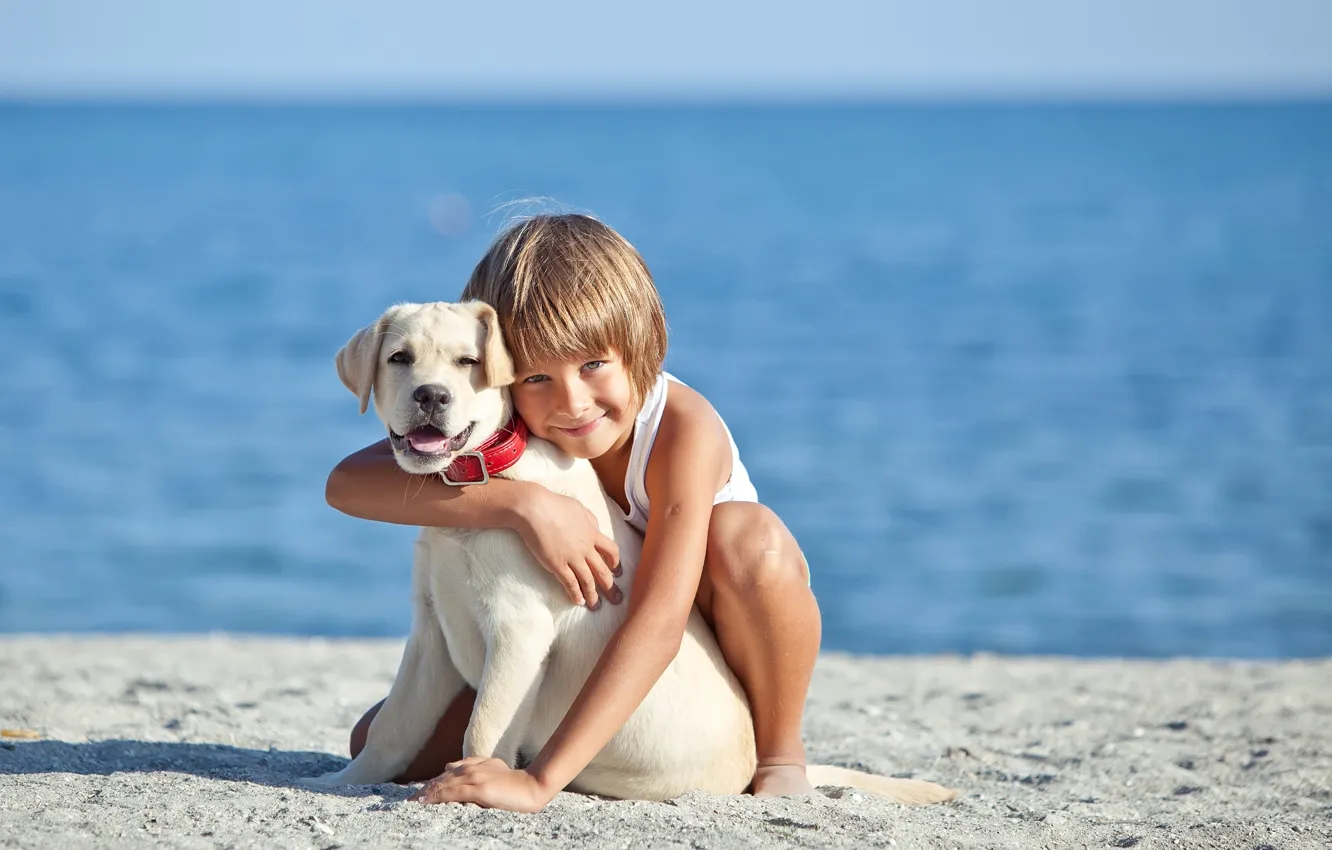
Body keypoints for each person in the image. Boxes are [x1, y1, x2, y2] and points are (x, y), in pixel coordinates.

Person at [326, 213, 821, 810]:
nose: (572, 401)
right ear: (505, 373)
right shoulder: (511, 427)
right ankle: (565, 750)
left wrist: (539, 783)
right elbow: (347, 484)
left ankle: (781, 754)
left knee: (748, 537)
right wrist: (522, 503)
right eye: (536, 374)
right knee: (375, 739)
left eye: (593, 365)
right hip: (576, 643)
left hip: (696, 635)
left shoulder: (681, 432)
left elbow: (659, 624)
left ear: (642, 344)